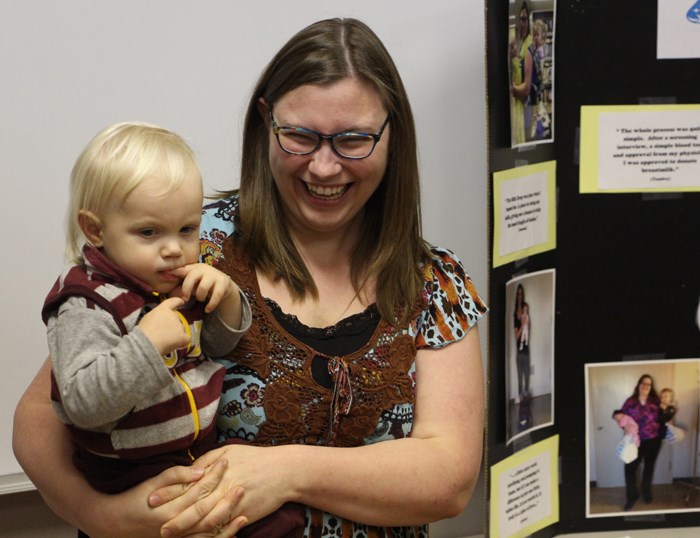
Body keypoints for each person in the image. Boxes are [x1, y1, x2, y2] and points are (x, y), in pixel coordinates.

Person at [13, 17, 487, 538]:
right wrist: (101, 518)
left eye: (354, 139)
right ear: (266, 122)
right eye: (300, 137)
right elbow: (44, 414)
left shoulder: (434, 283)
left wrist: (285, 473)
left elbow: (449, 479)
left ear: (392, 134)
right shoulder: (186, 247)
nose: (324, 168)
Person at [43, 121, 251, 494]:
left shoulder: (172, 280)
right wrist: (146, 345)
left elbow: (218, 346)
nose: (174, 248)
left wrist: (229, 297)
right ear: (95, 230)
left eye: (187, 229)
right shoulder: (86, 303)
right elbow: (82, 403)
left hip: (195, 456)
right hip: (130, 478)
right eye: (149, 233)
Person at [620, 374, 662, 511]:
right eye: (643, 383)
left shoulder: (655, 401)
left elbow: (664, 416)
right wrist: (624, 427)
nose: (645, 386)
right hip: (635, 441)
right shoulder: (630, 402)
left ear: (651, 387)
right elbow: (621, 418)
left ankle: (646, 493)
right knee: (630, 468)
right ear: (638, 385)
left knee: (648, 468)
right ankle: (632, 497)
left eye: (648, 384)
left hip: (653, 440)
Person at [510, 1, 533, 145]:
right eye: (520, 19)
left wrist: (512, 88)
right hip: (521, 105)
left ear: (529, 21)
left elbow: (526, 89)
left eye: (524, 19)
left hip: (526, 105)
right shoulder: (523, 43)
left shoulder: (529, 44)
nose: (522, 23)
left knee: (523, 147)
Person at [513, 284, 530, 402]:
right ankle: (520, 396)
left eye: (521, 293)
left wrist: (527, 323)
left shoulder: (526, 312)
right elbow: (516, 336)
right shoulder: (515, 314)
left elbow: (529, 332)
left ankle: (526, 397)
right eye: (518, 294)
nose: (520, 296)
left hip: (527, 350)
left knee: (527, 375)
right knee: (520, 376)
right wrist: (522, 324)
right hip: (519, 352)